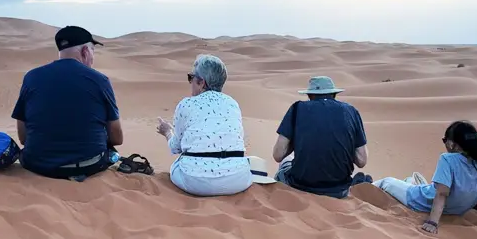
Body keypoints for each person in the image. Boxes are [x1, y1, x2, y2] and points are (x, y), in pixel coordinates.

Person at [12, 25, 123, 180]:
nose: (93, 56)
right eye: (93, 51)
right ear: (85, 51)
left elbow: (23, 137)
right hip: (88, 165)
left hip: (36, 164)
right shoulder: (100, 80)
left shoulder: (31, 77)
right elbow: (117, 138)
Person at [373, 121, 477, 237]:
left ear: (451, 143)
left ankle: (361, 188)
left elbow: (442, 193)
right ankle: (412, 181)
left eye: (445, 140)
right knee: (415, 185)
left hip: (419, 201)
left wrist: (432, 223)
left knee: (386, 181)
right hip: (455, 209)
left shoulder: (448, 159)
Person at [155, 54, 251, 196]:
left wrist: (168, 131)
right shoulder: (233, 104)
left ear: (201, 83)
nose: (190, 83)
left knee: (177, 165)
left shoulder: (186, 104)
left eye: (191, 78)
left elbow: (175, 147)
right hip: (237, 180)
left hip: (196, 181)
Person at [271, 75, 368, 198]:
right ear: (334, 94)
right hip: (340, 188)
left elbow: (278, 155)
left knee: (285, 162)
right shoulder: (351, 111)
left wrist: (295, 142)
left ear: (310, 95)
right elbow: (362, 161)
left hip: (301, 185)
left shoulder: (297, 109)